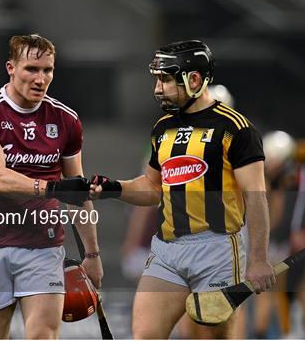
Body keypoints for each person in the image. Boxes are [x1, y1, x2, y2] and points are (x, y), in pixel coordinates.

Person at [90, 40, 275, 339]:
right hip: (167, 250)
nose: (157, 89)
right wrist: (114, 188)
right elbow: (152, 187)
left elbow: (256, 196)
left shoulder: (236, 129)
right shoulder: (162, 128)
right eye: (157, 79)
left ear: (194, 79)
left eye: (165, 79)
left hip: (218, 251)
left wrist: (258, 258)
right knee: (145, 335)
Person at [0, 34, 102, 339]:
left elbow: (77, 193)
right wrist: (53, 190)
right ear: (10, 68)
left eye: (48, 70)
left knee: (42, 335)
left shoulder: (65, 120)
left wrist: (92, 255)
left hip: (43, 246)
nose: (41, 79)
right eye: (32, 69)